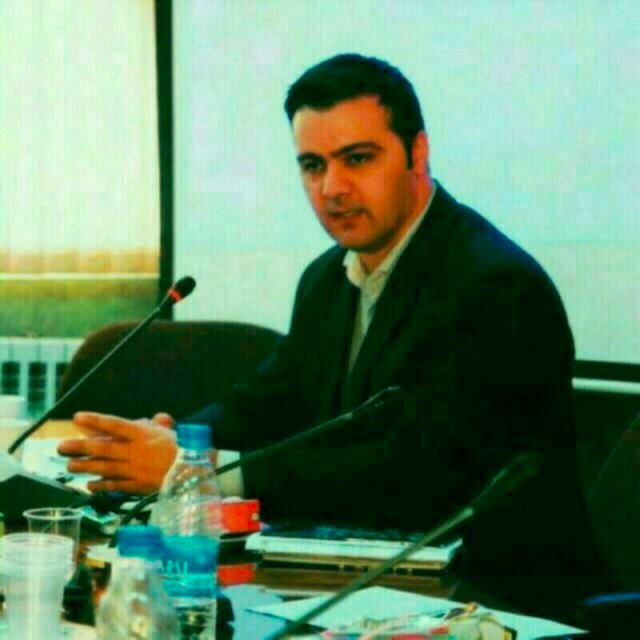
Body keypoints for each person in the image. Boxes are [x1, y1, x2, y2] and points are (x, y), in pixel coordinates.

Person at [59, 54, 606, 618]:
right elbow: (271, 400)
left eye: (358, 159)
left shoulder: (495, 286)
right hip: (371, 585)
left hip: (500, 599)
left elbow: (415, 472)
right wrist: (176, 445)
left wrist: (204, 471)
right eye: (312, 165)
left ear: (418, 152)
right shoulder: (327, 277)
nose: (333, 188)